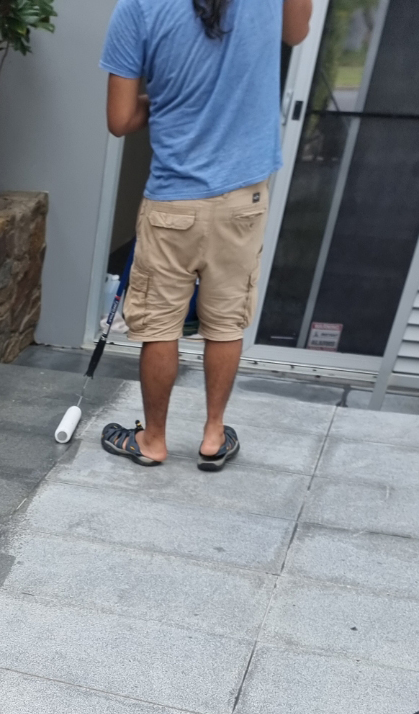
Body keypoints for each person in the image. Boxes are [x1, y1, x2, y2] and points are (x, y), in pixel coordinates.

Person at [99, 0, 312, 469]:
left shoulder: (138, 7)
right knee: (225, 322)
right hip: (243, 199)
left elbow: (120, 120)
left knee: (160, 326)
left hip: (172, 201)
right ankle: (213, 435)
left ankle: (153, 440)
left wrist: (168, 102)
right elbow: (298, 32)